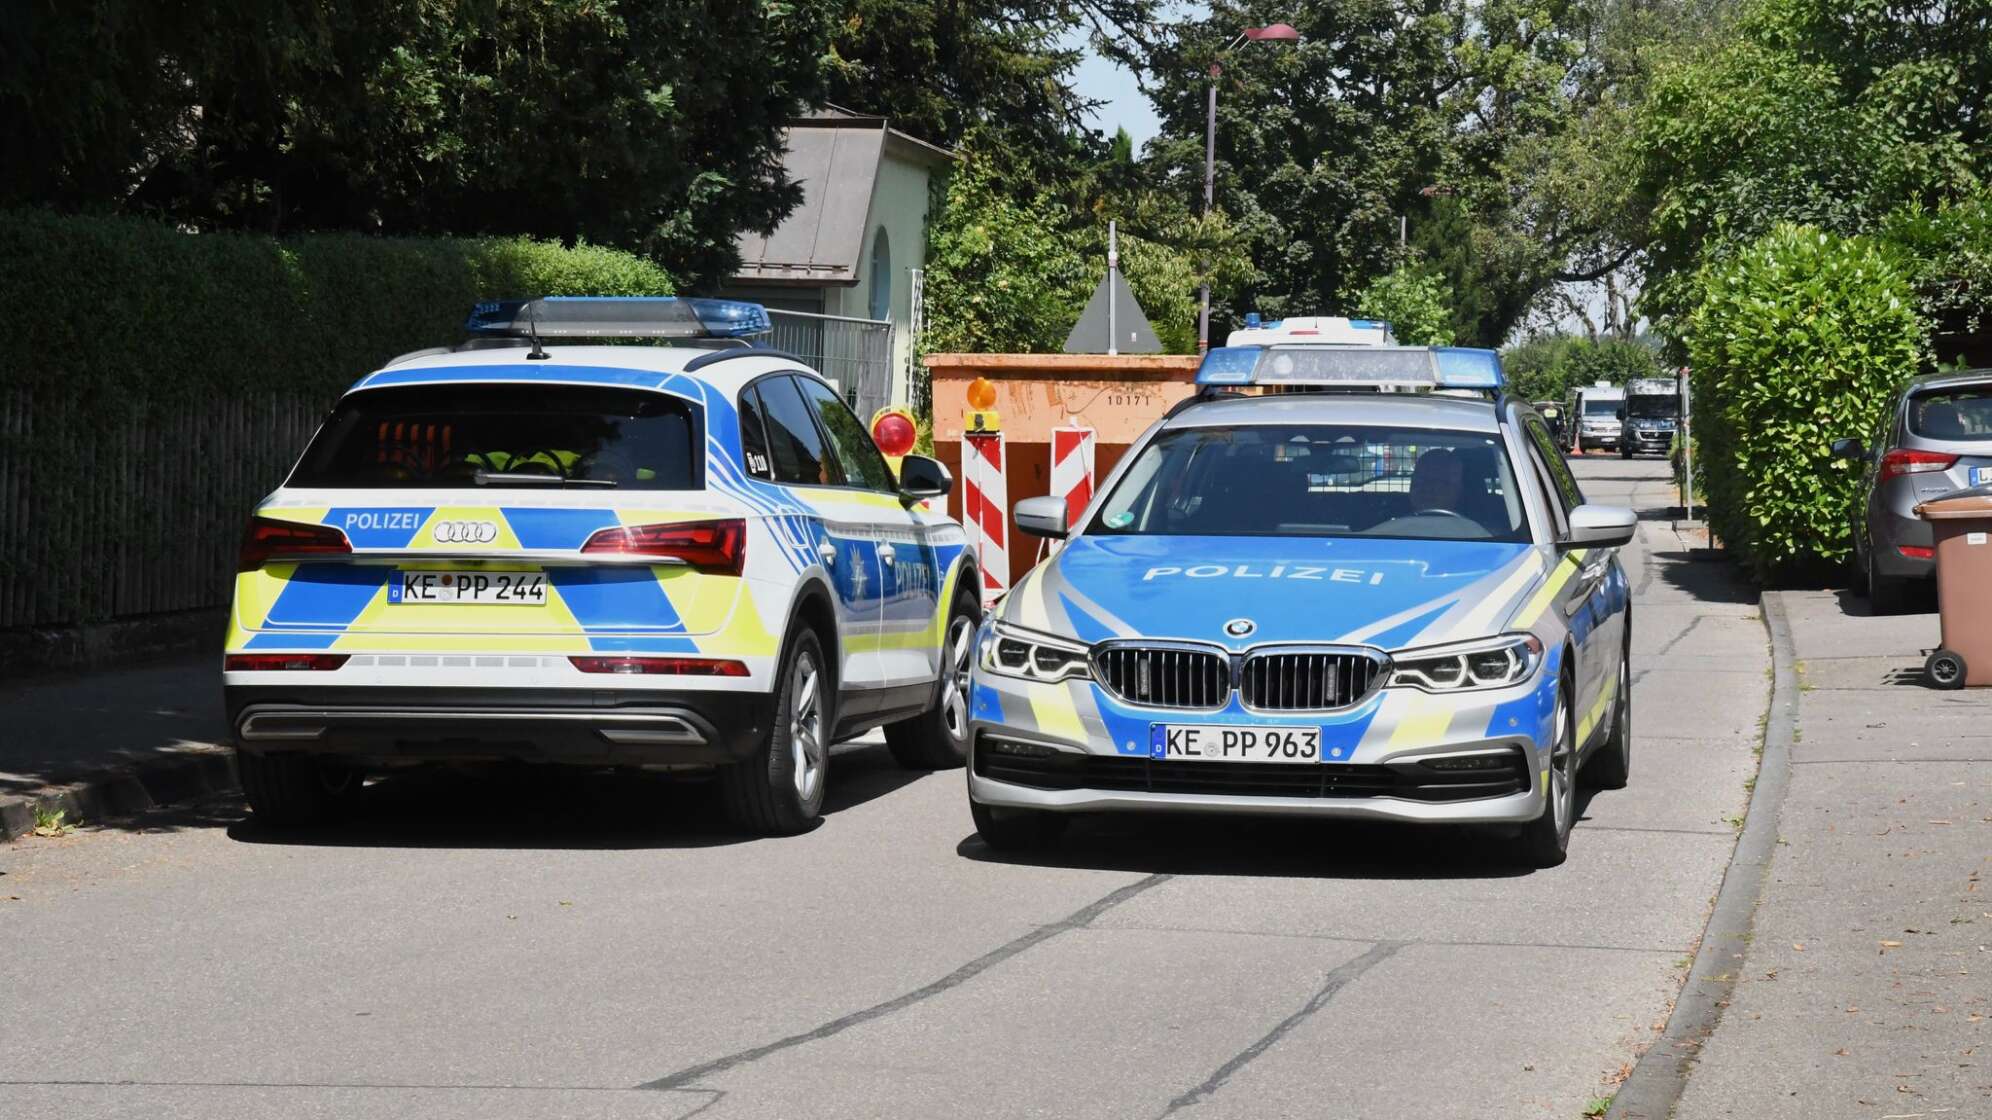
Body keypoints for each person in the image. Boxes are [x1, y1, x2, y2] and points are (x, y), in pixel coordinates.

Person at [1408, 448, 1465, 513]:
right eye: (1420, 480)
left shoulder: (1472, 522)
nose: (1427, 488)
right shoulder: (1395, 518)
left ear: (1458, 489)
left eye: (1439, 482)